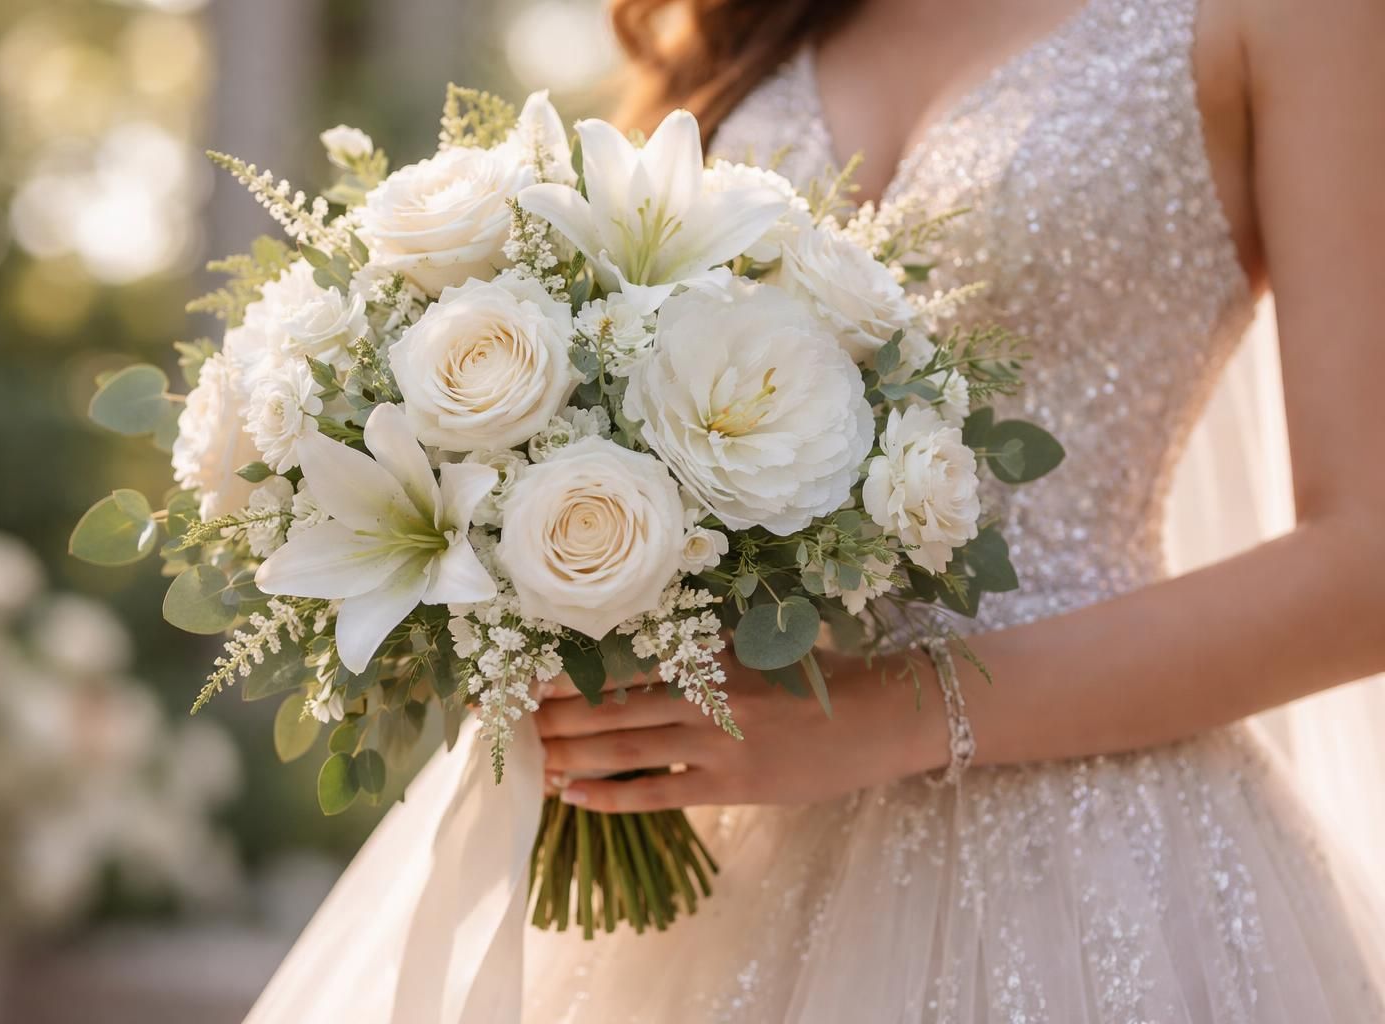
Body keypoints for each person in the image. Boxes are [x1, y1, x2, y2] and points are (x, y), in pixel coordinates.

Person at [519, 0, 1385, 1019]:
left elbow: (1364, 562)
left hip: (1100, 855)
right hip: (724, 846)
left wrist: (883, 712)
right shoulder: (737, 28)